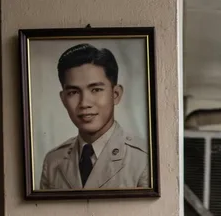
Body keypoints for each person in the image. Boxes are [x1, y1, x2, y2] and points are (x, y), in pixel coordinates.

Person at [40, 43, 150, 191]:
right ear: (63, 99)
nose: (84, 103)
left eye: (96, 89)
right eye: (73, 92)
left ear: (115, 94)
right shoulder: (53, 161)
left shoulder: (144, 160)